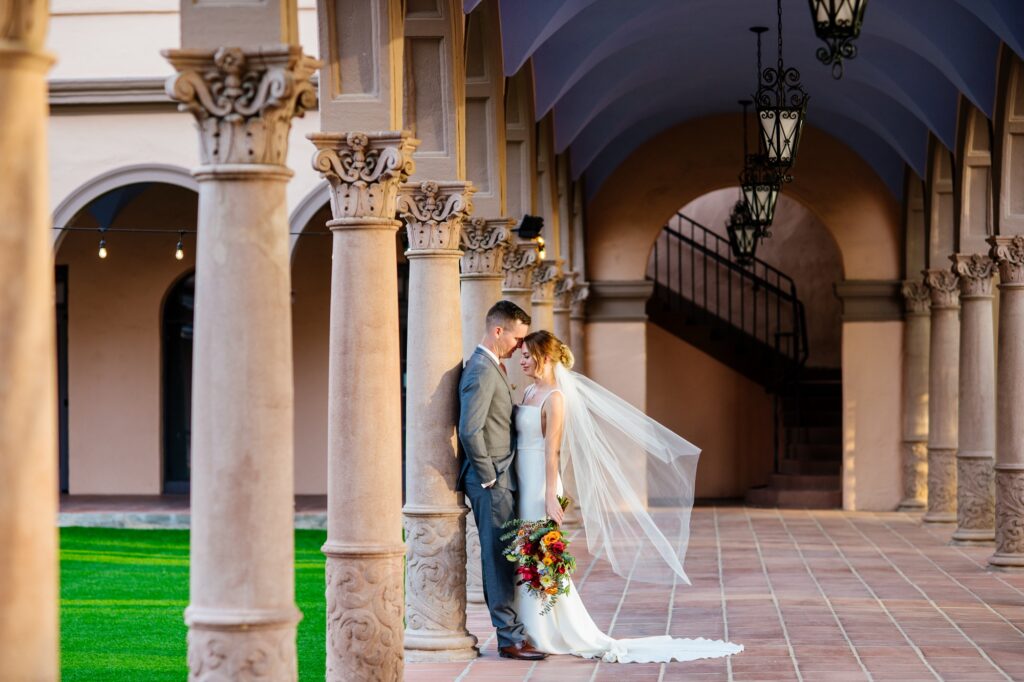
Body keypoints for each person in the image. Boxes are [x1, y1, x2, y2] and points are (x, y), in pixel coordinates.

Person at [513, 330, 744, 663]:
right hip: (523, 478)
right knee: (524, 552)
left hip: (541, 482)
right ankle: (531, 625)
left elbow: (552, 451)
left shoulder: (555, 398)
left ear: (544, 357)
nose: (521, 361)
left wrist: (550, 495)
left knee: (541, 553)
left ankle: (549, 629)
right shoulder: (529, 390)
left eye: (526, 355)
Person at [457, 300, 548, 661]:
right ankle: (508, 639)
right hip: (490, 482)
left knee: (506, 557)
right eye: (517, 337)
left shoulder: (492, 366)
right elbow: (469, 429)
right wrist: (489, 475)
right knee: (498, 560)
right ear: (499, 331)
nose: (519, 346)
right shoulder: (480, 369)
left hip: (503, 478)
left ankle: (513, 632)